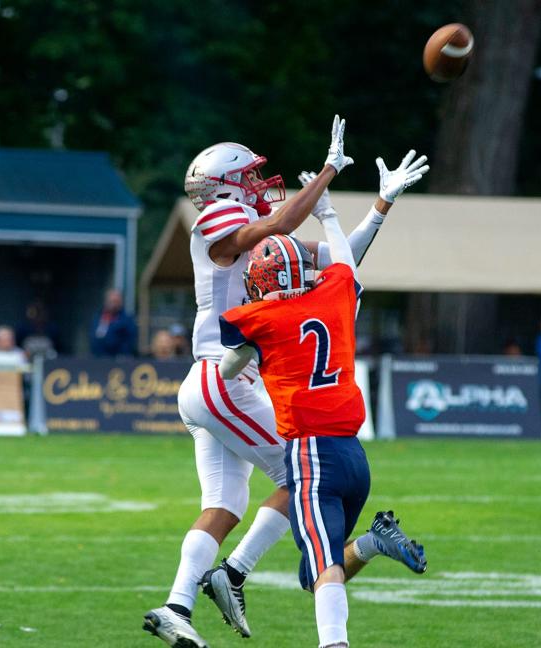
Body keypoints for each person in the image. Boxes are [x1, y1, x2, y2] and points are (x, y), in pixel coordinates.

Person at [142, 116, 429, 648]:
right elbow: (273, 229)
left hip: (219, 380)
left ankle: (176, 606)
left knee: (225, 505)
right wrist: (325, 175)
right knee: (299, 474)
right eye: (249, 178)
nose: (259, 185)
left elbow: (338, 261)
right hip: (221, 378)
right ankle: (233, 574)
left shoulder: (263, 239)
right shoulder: (218, 221)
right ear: (226, 186)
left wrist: (379, 208)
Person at [217, 209, 426, 648]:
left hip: (311, 455)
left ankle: (334, 644)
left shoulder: (261, 320)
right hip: (354, 458)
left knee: (324, 568)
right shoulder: (333, 298)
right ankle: (373, 542)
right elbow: (346, 264)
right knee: (312, 574)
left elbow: (228, 365)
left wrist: (254, 343)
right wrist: (329, 215)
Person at [90, 288, 137, 357]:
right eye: (111, 301)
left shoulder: (127, 320)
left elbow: (129, 341)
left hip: (117, 360)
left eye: (116, 302)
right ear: (106, 302)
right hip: (98, 359)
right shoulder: (98, 317)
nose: (114, 305)